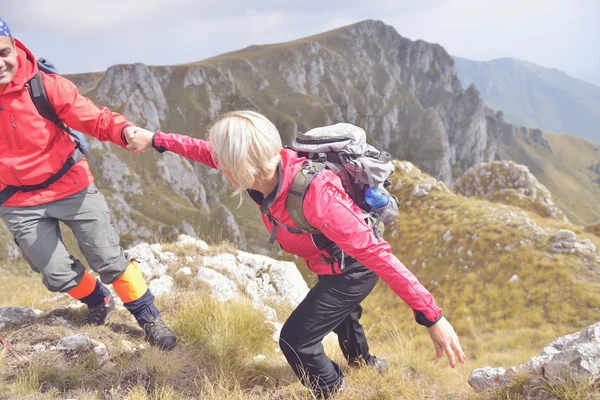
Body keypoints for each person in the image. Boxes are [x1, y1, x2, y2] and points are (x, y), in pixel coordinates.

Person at [127, 111, 465, 398]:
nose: (217, 163)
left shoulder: (317, 196)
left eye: (223, 160)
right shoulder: (264, 166)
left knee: (296, 341)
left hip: (353, 269)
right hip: (332, 262)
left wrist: (432, 316)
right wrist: (156, 139)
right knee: (343, 317)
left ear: (240, 167)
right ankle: (364, 364)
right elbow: (202, 151)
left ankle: (333, 390)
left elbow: (378, 254)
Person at [0, 17, 176, 350]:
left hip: (70, 183)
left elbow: (91, 117)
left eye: (3, 52)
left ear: (14, 47)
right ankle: (98, 299)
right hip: (17, 199)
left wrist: (124, 131)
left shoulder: (45, 86)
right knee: (54, 274)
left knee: (108, 258)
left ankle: (149, 318)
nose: (0, 63)